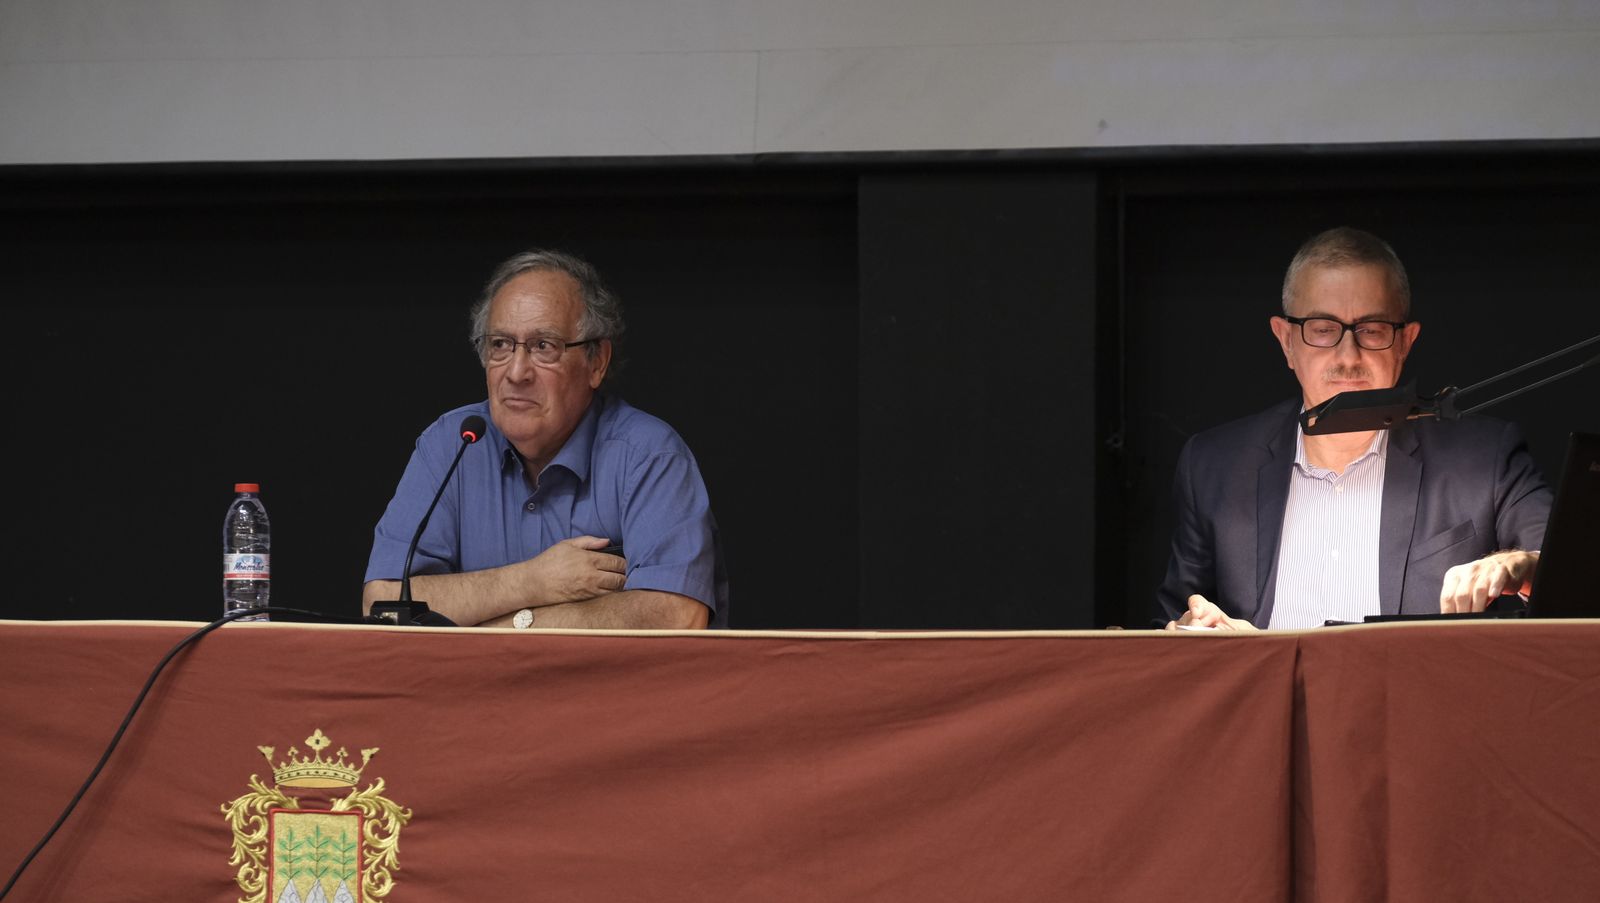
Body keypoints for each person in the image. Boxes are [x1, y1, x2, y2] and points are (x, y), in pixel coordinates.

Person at [1159, 227, 1551, 630]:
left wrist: (1521, 564)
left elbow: (1573, 567)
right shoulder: (1213, 465)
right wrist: (1190, 629)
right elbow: (1168, 628)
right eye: (1323, 329)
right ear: (1286, 340)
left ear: (1405, 342)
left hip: (1415, 691)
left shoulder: (1483, 457)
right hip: (1265, 690)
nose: (1349, 357)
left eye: (1372, 330)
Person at [363, 249, 727, 629]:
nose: (516, 372)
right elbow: (383, 602)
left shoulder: (649, 455)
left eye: (543, 346)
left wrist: (501, 627)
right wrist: (533, 581)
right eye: (501, 344)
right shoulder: (451, 443)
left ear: (596, 362)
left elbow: (676, 616)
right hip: (474, 689)